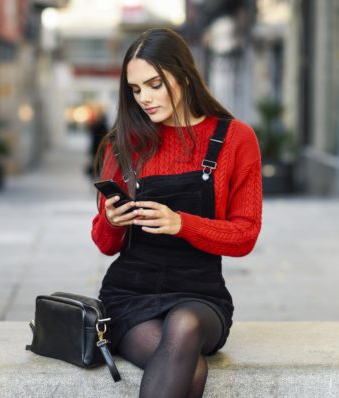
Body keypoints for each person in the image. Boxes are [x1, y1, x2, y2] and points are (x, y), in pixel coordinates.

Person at [91, 28, 262, 398]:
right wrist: (112, 220)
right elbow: (105, 245)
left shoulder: (236, 139)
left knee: (183, 327)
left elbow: (245, 235)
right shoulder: (123, 144)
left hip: (200, 295)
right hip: (130, 295)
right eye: (136, 90)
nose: (145, 99)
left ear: (183, 74)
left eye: (154, 84)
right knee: (191, 367)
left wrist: (181, 223)